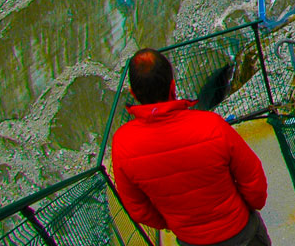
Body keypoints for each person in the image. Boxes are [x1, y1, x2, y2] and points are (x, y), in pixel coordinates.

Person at [112, 49, 270, 246]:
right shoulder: (211, 125)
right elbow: (253, 177)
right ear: (172, 86)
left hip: (191, 240)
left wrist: (172, 223)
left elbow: (138, 208)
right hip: (239, 230)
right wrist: (250, 207)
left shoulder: (122, 143)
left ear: (134, 94)